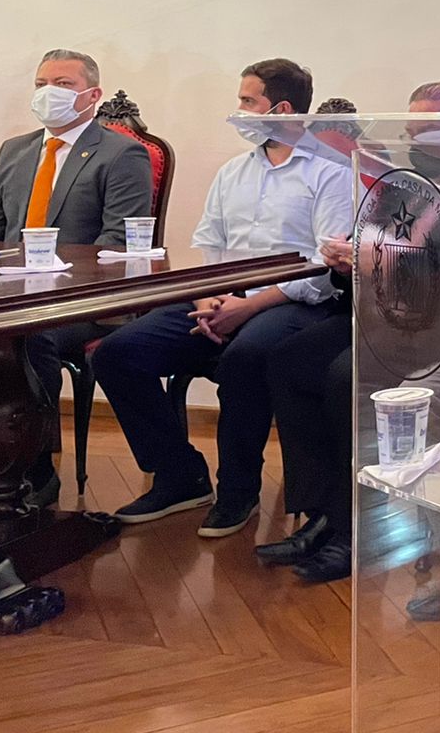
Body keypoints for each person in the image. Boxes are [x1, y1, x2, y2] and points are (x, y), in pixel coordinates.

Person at [256, 79, 440, 584]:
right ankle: (322, 513)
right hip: (388, 316)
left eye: (427, 130)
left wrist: (388, 263)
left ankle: (360, 529)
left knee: (345, 378)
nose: (414, 140)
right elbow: (369, 247)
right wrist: (345, 262)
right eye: (410, 130)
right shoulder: (405, 185)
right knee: (288, 360)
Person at [92, 58, 352, 536]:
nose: (238, 111)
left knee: (244, 357)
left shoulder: (331, 172)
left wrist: (249, 306)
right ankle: (179, 475)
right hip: (220, 296)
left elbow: (324, 266)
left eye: (247, 101)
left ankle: (238, 491)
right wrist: (207, 299)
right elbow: (209, 245)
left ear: (282, 109)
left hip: (293, 303)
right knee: (117, 353)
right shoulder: (233, 172)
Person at [0, 48, 153, 505]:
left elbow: (116, 245)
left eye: (63, 84)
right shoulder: (15, 151)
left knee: (30, 337)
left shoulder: (122, 153)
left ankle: (33, 468)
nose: (48, 92)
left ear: (93, 94)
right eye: (41, 84)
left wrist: (47, 284)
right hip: (7, 297)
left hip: (79, 303)